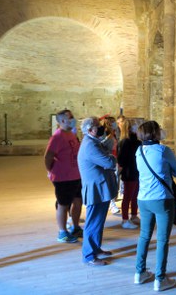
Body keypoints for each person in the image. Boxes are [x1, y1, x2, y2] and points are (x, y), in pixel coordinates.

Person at [134, 121, 176, 292]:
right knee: (162, 240)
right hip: (162, 199)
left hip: (143, 199)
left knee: (144, 236)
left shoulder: (138, 151)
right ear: (154, 133)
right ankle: (160, 279)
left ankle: (139, 273)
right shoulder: (163, 150)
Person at [78, 117, 118, 266]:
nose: (100, 127)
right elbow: (108, 162)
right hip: (96, 189)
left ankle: (96, 249)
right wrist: (112, 157)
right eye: (97, 126)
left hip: (100, 187)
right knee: (93, 222)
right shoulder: (90, 145)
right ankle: (89, 256)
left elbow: (104, 152)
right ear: (89, 130)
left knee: (98, 221)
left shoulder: (93, 142)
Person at [44, 109, 83, 243]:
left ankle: (76, 227)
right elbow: (48, 156)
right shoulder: (58, 136)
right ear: (62, 121)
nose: (73, 119)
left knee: (78, 201)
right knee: (63, 204)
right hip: (63, 177)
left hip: (76, 175)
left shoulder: (70, 134)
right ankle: (62, 232)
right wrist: (51, 170)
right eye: (70, 117)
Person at [117, 119, 141, 229]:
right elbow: (121, 159)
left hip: (137, 171)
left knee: (135, 195)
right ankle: (125, 219)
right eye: (135, 126)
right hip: (129, 172)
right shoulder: (125, 141)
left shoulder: (137, 141)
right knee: (127, 196)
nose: (137, 127)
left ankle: (134, 215)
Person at [100, 115, 120, 214]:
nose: (114, 123)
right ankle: (111, 203)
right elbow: (101, 145)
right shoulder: (104, 132)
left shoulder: (116, 132)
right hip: (106, 160)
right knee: (108, 182)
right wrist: (110, 136)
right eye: (112, 122)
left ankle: (112, 202)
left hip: (115, 159)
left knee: (115, 181)